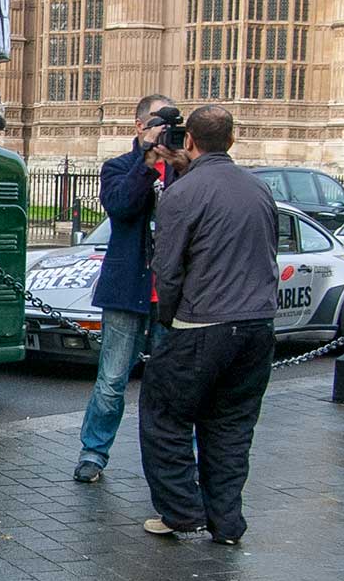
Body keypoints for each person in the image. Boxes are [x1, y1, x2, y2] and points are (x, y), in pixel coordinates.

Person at [137, 104, 278, 545]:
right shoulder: (260, 190)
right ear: (232, 141)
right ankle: (227, 523)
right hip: (257, 325)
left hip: (202, 324)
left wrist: (170, 318)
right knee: (232, 427)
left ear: (191, 141)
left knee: (164, 415)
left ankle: (180, 511)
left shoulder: (183, 193)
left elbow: (168, 267)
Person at [73, 93, 182, 484]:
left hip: (172, 295)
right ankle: (93, 452)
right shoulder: (119, 166)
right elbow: (120, 207)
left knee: (173, 385)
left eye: (172, 121)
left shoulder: (182, 169)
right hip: (127, 290)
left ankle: (172, 462)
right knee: (112, 380)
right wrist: (149, 163)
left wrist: (177, 165)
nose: (166, 128)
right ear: (139, 126)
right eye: (159, 121)